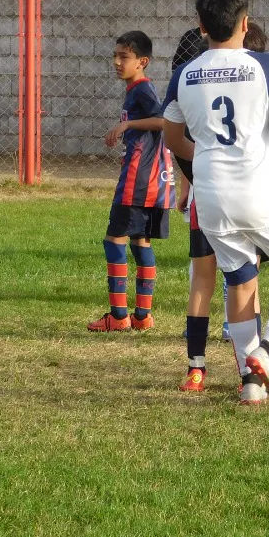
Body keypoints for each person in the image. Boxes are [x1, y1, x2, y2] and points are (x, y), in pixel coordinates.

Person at [163, 0, 269, 405]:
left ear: (201, 26)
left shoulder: (184, 74)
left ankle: (251, 386)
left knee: (239, 281)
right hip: (258, 188)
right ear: (245, 24)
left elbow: (174, 138)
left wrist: (210, 154)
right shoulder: (266, 65)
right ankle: (266, 354)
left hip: (210, 195)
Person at [177, 21, 268, 393]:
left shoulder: (196, 85)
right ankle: (252, 373)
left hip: (208, 194)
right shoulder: (259, 90)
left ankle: (196, 369)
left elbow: (179, 138)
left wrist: (190, 180)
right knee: (247, 283)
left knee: (202, 281)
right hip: (248, 197)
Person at [87, 30, 174, 333]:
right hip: (154, 181)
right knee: (141, 241)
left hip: (138, 179)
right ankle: (142, 315)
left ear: (142, 61)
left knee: (114, 240)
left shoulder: (142, 90)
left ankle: (118, 315)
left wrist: (127, 124)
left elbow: (163, 121)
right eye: (116, 55)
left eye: (124, 56)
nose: (116, 61)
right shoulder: (136, 89)